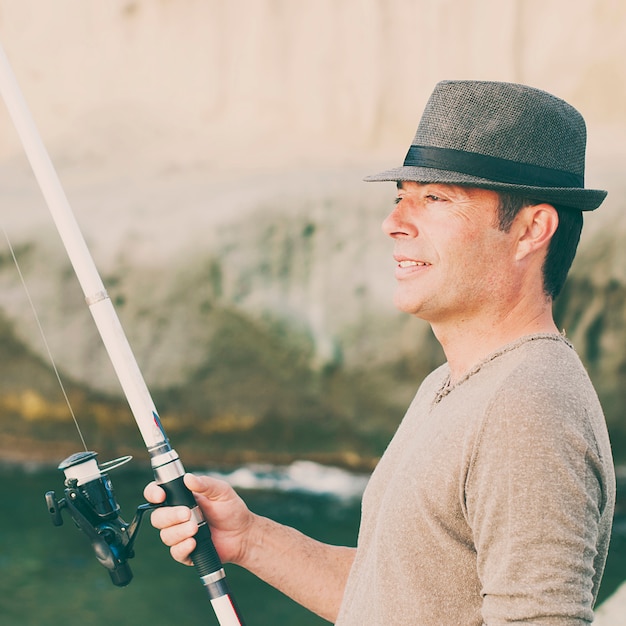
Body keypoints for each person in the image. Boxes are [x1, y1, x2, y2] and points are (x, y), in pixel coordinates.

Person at [144, 80, 616, 624]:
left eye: (434, 198)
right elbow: (394, 596)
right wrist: (250, 539)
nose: (393, 223)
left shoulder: (527, 407)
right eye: (400, 197)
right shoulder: (454, 383)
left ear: (532, 229)